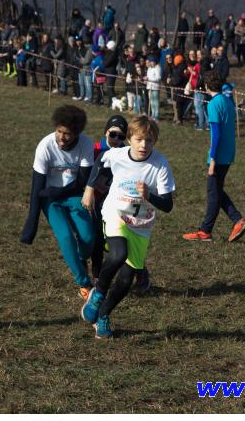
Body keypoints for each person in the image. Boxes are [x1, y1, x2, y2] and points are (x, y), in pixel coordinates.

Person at [81, 116, 175, 338]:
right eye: (139, 139)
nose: (144, 145)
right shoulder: (117, 155)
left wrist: (149, 195)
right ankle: (98, 294)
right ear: (130, 139)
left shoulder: (160, 164)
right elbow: (100, 161)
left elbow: (168, 205)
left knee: (126, 278)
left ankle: (103, 315)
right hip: (116, 213)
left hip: (141, 225)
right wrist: (89, 188)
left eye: (149, 141)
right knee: (118, 254)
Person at [20, 105, 96, 301]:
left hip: (74, 195)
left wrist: (59, 191)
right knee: (66, 238)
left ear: (77, 133)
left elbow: (82, 180)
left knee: (88, 238)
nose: (62, 137)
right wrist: (31, 223)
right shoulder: (45, 146)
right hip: (50, 200)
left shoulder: (86, 144)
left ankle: (79, 260)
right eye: (59, 131)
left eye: (68, 133)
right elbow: (37, 188)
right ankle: (84, 283)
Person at [183, 71, 245, 242]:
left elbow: (216, 134)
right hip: (228, 153)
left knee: (213, 192)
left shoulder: (213, 104)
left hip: (218, 155)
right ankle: (237, 221)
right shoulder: (227, 101)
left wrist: (212, 158)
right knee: (217, 190)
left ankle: (206, 231)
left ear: (206, 86)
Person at [88, 115, 129, 281]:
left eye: (121, 136)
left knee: (123, 239)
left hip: (118, 203)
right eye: (113, 134)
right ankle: (97, 273)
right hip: (96, 202)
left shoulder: (127, 152)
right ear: (106, 132)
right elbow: (85, 174)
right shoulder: (95, 149)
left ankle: (140, 273)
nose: (116, 139)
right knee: (97, 237)